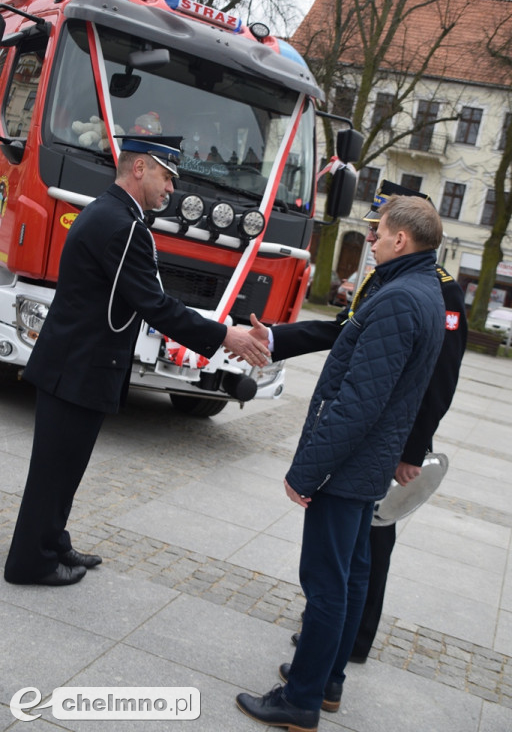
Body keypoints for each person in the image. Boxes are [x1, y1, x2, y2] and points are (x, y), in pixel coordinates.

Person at [4, 135, 269, 587]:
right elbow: (157, 305)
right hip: (80, 367)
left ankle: (51, 540)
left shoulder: (110, 212)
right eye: (167, 177)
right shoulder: (125, 226)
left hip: (76, 363)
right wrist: (226, 334)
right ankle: (31, 561)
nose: (171, 189)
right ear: (140, 169)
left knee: (64, 466)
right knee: (54, 471)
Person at [236, 194, 446, 732]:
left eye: (378, 233)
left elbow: (360, 400)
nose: (370, 240)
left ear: (401, 239)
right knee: (352, 575)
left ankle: (300, 700)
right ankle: (327, 680)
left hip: (351, 464)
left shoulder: (400, 297)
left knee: (326, 583)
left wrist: (308, 470)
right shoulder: (417, 288)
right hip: (366, 462)